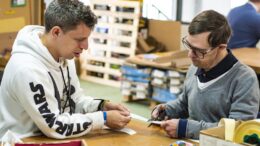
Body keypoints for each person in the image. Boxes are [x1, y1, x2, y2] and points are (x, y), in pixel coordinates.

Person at [0, 0, 131, 139]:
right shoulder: (27, 68)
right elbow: (55, 126)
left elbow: (74, 102)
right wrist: (103, 118)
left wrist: (101, 106)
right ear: (56, 32)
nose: (85, 46)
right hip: (22, 140)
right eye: (79, 39)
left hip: (47, 138)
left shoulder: (64, 55)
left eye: (87, 39)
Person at [151, 10, 260, 139]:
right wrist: (167, 110)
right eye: (189, 46)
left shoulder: (244, 79)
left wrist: (186, 128)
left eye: (199, 51)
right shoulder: (194, 67)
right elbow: (184, 103)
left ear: (221, 48)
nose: (190, 55)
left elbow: (237, 129)